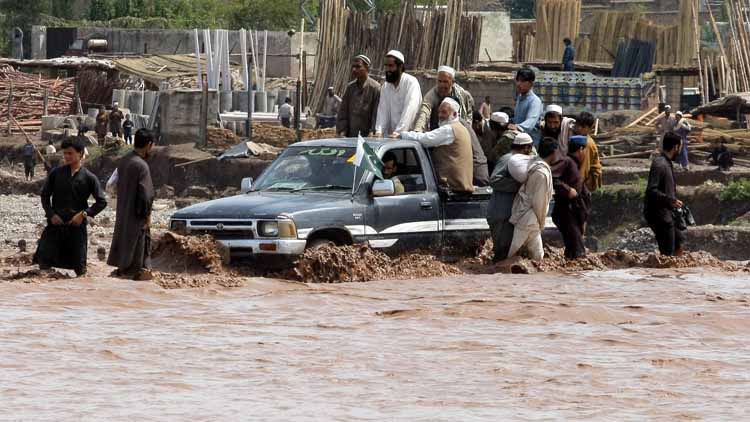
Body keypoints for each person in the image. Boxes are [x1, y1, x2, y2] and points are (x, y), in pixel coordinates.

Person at [33, 137, 107, 277]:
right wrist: (51, 214)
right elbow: (45, 196)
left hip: (76, 226)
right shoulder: (56, 173)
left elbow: (101, 202)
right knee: (44, 263)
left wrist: (84, 214)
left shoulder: (89, 177)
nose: (66, 156)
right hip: (56, 225)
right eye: (65, 153)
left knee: (80, 269)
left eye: (70, 153)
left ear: (80, 153)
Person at [107, 129, 156, 280]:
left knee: (125, 254)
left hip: (123, 214)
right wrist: (147, 217)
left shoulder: (125, 161)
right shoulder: (141, 166)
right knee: (138, 259)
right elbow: (146, 195)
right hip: (137, 218)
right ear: (149, 145)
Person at [398, 98, 473, 193]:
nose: (440, 115)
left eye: (444, 112)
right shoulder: (462, 129)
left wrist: (402, 135)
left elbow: (425, 140)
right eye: (439, 112)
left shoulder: (449, 130)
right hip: (458, 186)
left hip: (452, 188)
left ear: (454, 114)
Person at [486, 132, 534, 262]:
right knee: (502, 252)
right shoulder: (508, 159)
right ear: (526, 148)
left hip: (508, 214)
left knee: (509, 253)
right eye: (529, 149)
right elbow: (494, 180)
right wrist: (519, 185)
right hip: (500, 213)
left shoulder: (518, 160)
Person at [507, 137, 556, 261]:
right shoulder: (541, 173)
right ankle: (499, 272)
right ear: (554, 152)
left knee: (538, 257)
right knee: (511, 255)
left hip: (528, 219)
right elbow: (539, 202)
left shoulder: (536, 164)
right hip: (529, 218)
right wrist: (542, 222)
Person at [644, 132, 686, 256]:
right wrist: (671, 200)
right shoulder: (660, 164)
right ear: (676, 147)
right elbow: (652, 190)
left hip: (668, 213)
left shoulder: (667, 163)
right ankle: (662, 274)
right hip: (659, 215)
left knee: (679, 244)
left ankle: (676, 274)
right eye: (680, 148)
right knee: (668, 253)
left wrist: (672, 202)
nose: (680, 151)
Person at [552, 135, 591, 260]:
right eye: (586, 150)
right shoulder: (567, 161)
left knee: (572, 251)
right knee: (578, 253)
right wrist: (567, 190)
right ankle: (577, 277)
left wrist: (583, 218)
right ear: (581, 149)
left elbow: (582, 192)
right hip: (565, 211)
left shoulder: (576, 165)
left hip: (575, 213)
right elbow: (551, 177)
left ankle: (567, 277)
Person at [375, 50, 422, 138]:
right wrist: (379, 131)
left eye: (391, 66)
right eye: (386, 66)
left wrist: (399, 132)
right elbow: (382, 111)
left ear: (400, 67)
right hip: (391, 138)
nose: (388, 69)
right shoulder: (386, 86)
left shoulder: (411, 83)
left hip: (409, 137)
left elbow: (410, 110)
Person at [413, 65, 474, 132]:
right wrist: (418, 130)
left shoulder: (462, 95)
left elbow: (469, 113)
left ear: (452, 82)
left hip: (458, 131)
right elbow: (424, 113)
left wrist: (467, 130)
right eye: (440, 81)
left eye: (445, 82)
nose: (442, 85)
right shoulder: (431, 95)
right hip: (436, 132)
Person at [337, 54, 381, 137]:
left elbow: (376, 114)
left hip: (367, 138)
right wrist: (342, 130)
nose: (354, 69)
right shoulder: (350, 88)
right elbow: (343, 112)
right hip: (350, 137)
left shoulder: (375, 88)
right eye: (353, 67)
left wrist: (372, 132)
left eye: (358, 67)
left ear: (367, 68)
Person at [509, 67, 543, 146]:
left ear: (531, 83)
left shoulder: (535, 101)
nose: (518, 84)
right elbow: (518, 118)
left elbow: (530, 123)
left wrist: (517, 127)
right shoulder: (520, 98)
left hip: (530, 143)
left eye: (523, 81)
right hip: (519, 140)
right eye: (518, 80)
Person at [574, 111, 602, 191]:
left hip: (588, 180)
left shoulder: (587, 144)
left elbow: (584, 168)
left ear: (590, 128)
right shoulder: (578, 139)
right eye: (578, 125)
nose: (579, 128)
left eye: (583, 127)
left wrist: (577, 188)